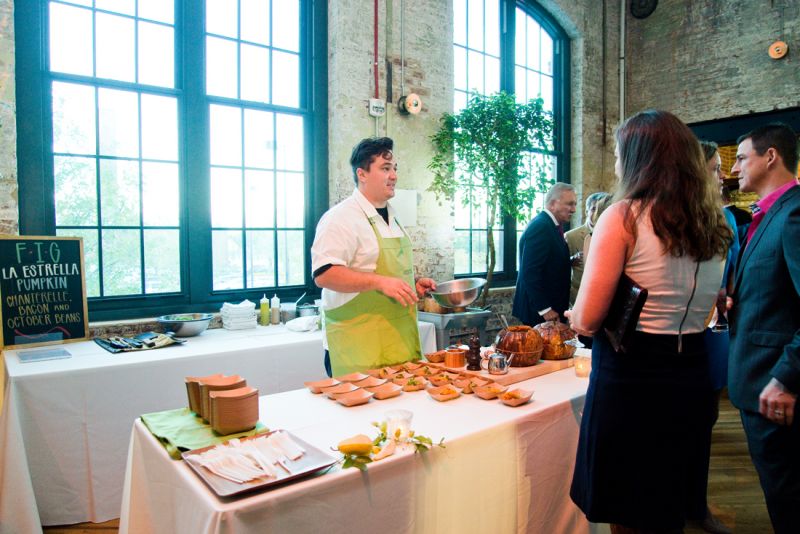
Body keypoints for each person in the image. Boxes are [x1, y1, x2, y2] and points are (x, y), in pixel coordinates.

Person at [567, 110, 732, 534]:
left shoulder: (624, 216)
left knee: (629, 508)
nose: (617, 164)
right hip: (692, 368)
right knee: (668, 504)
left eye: (621, 153)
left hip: (633, 374)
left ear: (640, 158)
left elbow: (586, 319)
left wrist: (575, 313)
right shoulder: (714, 222)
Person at [727, 123, 800, 534]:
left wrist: (787, 378)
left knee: (787, 497)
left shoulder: (793, 214)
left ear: (770, 156)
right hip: (761, 380)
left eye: (741, 157)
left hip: (775, 387)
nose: (734, 167)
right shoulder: (771, 213)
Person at [311, 137, 436, 377]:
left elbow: (382, 271)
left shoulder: (393, 217)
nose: (394, 176)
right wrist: (380, 282)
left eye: (395, 169)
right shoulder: (340, 218)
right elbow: (324, 274)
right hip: (357, 347)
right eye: (385, 168)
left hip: (397, 342)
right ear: (362, 174)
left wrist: (412, 282)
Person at [694, 140, 738, 534]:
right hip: (684, 336)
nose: (721, 175)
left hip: (715, 328)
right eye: (713, 168)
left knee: (706, 416)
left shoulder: (723, 219)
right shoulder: (680, 219)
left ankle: (696, 504)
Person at [512, 182, 577, 326]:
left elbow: (548, 262)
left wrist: (569, 261)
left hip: (551, 307)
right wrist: (545, 309)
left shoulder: (551, 225)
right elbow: (529, 272)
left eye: (575, 204)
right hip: (539, 312)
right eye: (570, 204)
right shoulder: (541, 227)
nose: (574, 209)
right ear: (553, 204)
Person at [565, 192, 610, 306]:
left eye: (603, 209)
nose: (598, 213)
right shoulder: (571, 236)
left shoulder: (613, 235)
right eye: (593, 209)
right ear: (586, 211)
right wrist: (571, 260)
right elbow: (560, 268)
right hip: (579, 297)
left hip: (608, 298)